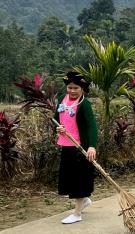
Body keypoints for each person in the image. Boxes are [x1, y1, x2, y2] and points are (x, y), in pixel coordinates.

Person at [54, 71, 98, 224]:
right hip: (66, 144)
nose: (72, 91)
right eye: (70, 88)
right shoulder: (62, 100)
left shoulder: (84, 104)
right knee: (70, 178)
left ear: (82, 89)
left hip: (80, 147)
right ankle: (84, 200)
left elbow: (92, 125)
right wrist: (58, 128)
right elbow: (56, 118)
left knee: (79, 180)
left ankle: (77, 213)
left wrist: (92, 146)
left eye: (76, 88)